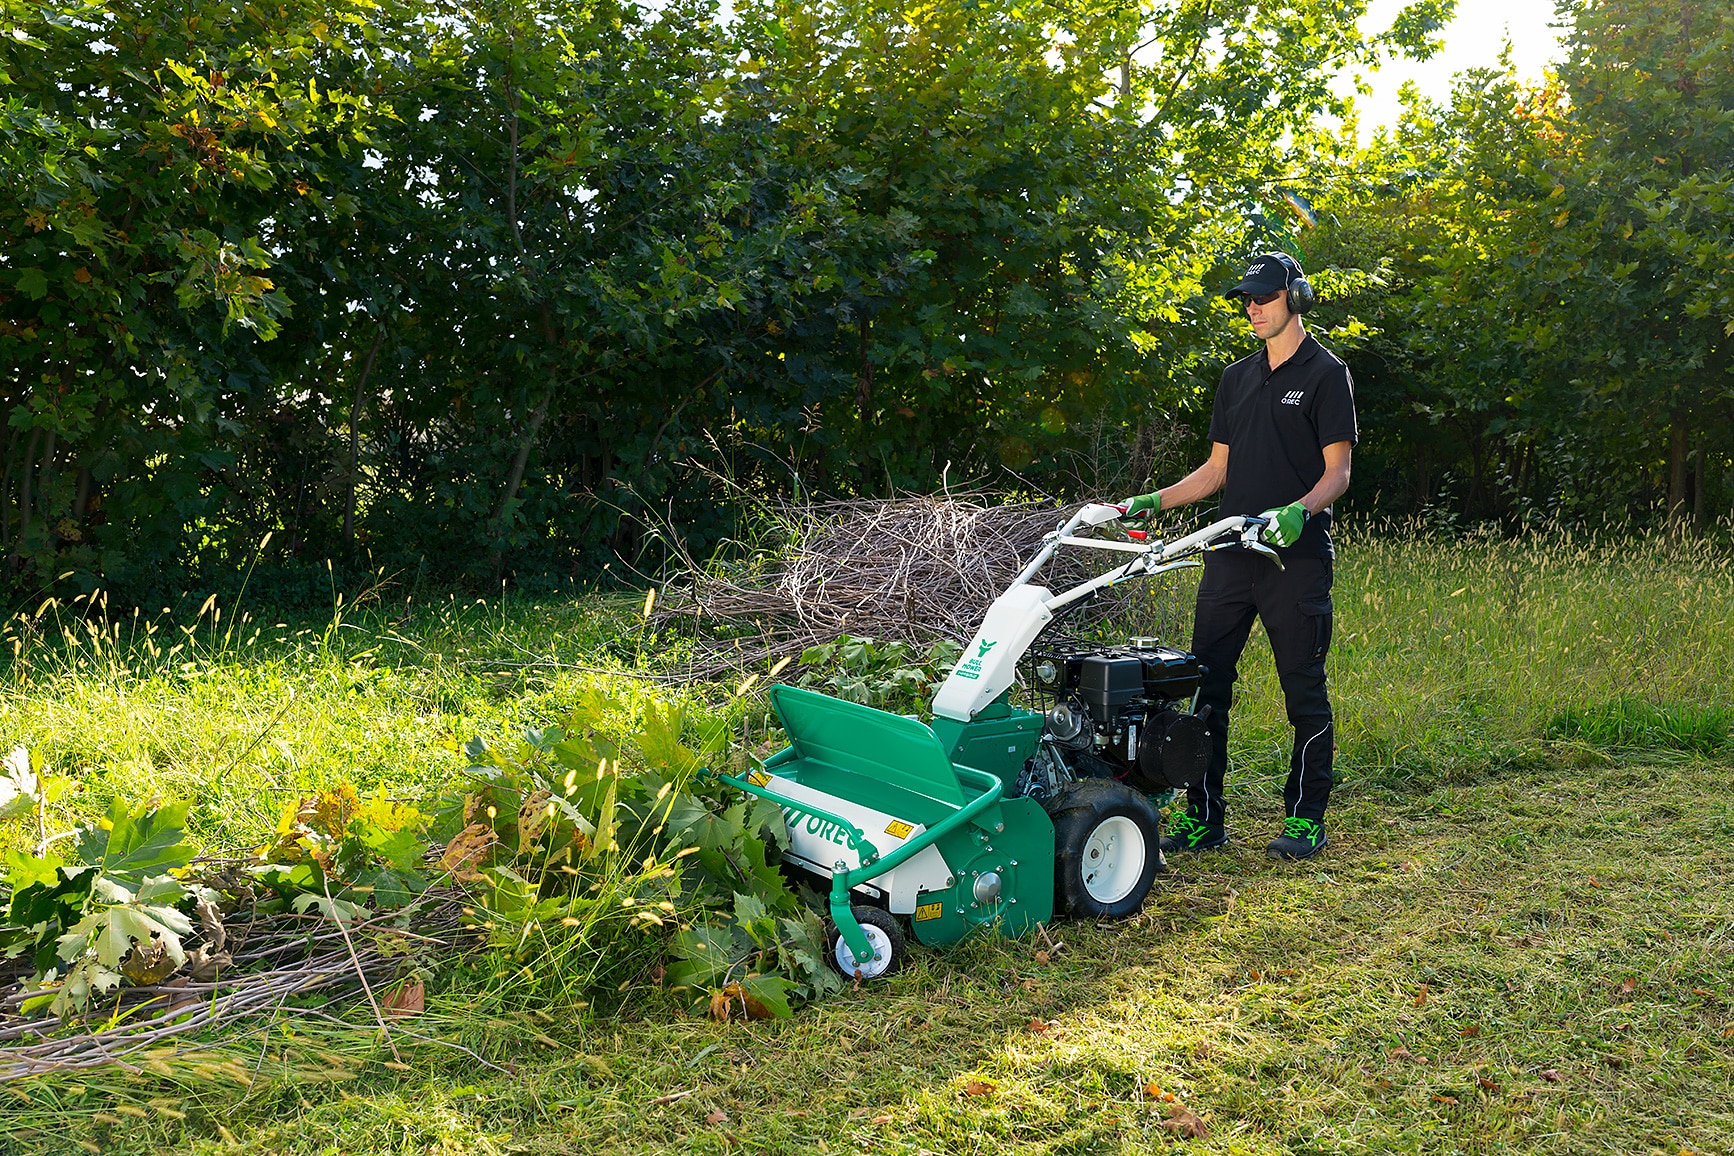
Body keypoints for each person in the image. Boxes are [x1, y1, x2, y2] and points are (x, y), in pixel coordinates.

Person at [1120, 252, 1356, 860]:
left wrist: (1299, 510)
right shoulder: (1235, 379)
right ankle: (1205, 817)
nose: (1251, 307)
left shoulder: (1327, 374)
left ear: (1295, 298)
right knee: (1205, 688)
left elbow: (1339, 473)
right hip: (1228, 553)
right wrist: (1157, 500)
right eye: (1245, 299)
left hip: (1294, 558)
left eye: (1262, 297)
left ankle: (1306, 817)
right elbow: (1216, 472)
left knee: (1302, 689)